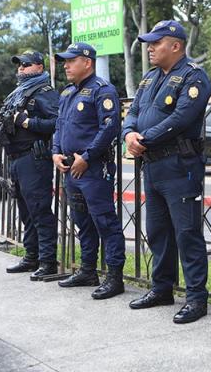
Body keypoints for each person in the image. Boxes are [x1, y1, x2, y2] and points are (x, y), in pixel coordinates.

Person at [121, 20, 211, 324]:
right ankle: (162, 288)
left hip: (179, 165)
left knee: (187, 232)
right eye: (149, 43)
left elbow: (182, 117)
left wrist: (144, 139)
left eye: (156, 42)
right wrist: (128, 134)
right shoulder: (149, 78)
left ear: (175, 46)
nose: (150, 48)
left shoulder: (193, 76)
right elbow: (133, 112)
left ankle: (196, 298)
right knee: (157, 230)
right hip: (153, 165)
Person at [52, 42, 125, 300]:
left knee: (105, 221)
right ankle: (87, 270)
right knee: (81, 221)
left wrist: (87, 156)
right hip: (71, 169)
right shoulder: (67, 93)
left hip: (94, 168)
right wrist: (55, 152)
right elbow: (59, 126)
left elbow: (110, 127)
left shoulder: (102, 90)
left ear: (87, 62)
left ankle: (114, 277)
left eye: (71, 60)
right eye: (65, 61)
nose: (66, 65)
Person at [0, 51, 60, 281]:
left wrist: (27, 122)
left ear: (40, 67)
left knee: (40, 211)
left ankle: (48, 262)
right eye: (19, 65)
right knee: (26, 212)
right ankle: (32, 256)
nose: (21, 68)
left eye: (26, 64)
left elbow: (57, 122)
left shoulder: (45, 92)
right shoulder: (20, 92)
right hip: (17, 158)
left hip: (34, 159)